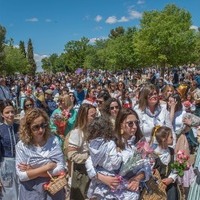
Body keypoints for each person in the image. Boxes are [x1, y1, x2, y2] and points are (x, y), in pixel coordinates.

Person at [86, 108, 151, 200]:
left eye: (136, 122)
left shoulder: (140, 144)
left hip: (129, 194)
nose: (135, 126)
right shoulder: (110, 142)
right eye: (130, 123)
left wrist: (138, 178)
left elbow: (147, 166)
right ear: (120, 125)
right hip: (107, 193)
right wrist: (101, 177)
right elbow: (89, 161)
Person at [15, 108, 66, 200]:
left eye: (43, 125)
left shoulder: (53, 140)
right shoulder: (22, 146)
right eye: (36, 127)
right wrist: (47, 167)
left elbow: (61, 168)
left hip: (53, 188)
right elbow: (22, 176)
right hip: (31, 191)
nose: (41, 130)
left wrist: (32, 170)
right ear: (28, 128)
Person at [64, 103, 97, 200]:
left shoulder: (93, 131)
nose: (95, 118)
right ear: (84, 116)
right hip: (82, 174)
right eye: (92, 116)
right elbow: (71, 154)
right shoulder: (77, 133)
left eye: (96, 115)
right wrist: (90, 156)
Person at [151, 126, 180, 199]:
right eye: (171, 137)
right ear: (164, 139)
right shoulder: (153, 154)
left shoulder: (172, 151)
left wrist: (171, 179)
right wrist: (161, 183)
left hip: (170, 185)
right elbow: (150, 173)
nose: (173, 138)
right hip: (157, 188)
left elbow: (176, 168)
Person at [0, 100, 19, 200]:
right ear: (2, 114)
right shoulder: (0, 129)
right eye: (7, 112)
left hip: (20, 164)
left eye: (12, 111)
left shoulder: (19, 127)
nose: (10, 115)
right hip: (5, 165)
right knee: (8, 194)